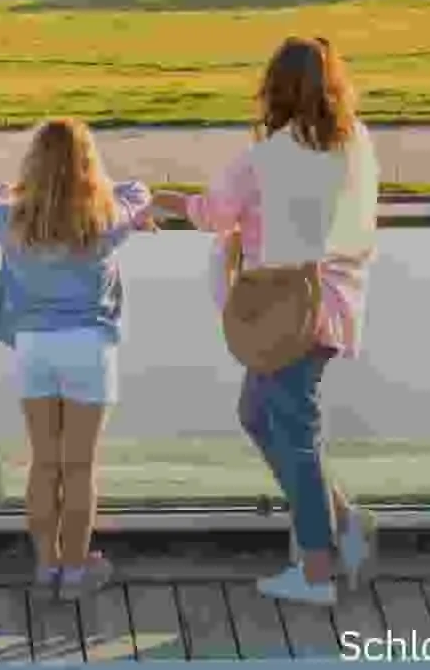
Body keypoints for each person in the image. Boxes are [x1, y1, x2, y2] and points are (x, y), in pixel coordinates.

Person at [155, 36, 382, 605]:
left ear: (275, 91)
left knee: (294, 433)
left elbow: (213, 213)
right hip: (336, 302)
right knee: (257, 412)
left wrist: (166, 200)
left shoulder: (265, 158)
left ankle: (316, 570)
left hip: (287, 311)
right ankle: (342, 523)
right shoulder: (356, 145)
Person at [0, 118, 157, 592]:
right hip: (89, 346)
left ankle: (46, 565)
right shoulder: (105, 219)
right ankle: (76, 568)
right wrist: (102, 188)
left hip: (33, 347)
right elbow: (139, 191)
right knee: (80, 467)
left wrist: (9, 190)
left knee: (45, 462)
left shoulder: (13, 219)